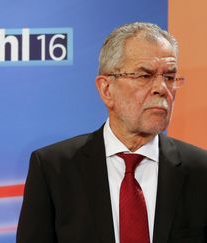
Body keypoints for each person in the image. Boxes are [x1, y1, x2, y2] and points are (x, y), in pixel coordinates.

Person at [17, 22, 207, 243]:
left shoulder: (201, 170)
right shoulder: (53, 168)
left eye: (170, 77)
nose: (162, 88)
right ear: (106, 89)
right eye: (144, 76)